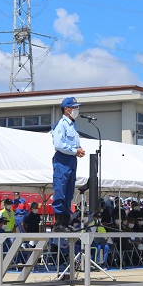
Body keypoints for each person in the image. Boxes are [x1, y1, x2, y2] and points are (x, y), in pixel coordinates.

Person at [52, 97, 86, 231]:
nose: (77, 110)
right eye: (74, 108)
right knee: (60, 190)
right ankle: (59, 222)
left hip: (71, 159)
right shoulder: (61, 124)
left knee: (69, 191)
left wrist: (78, 150)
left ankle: (66, 221)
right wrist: (74, 150)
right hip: (62, 159)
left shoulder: (73, 125)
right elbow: (58, 144)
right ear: (67, 109)